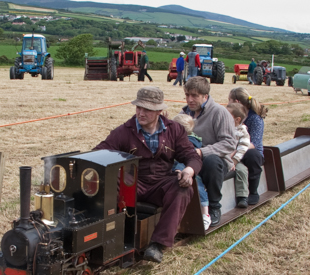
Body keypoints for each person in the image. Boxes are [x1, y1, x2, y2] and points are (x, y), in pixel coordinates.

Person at [94, 86, 201, 263]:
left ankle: (157, 245)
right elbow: (99, 152)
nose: (141, 113)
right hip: (132, 184)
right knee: (109, 185)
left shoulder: (175, 130)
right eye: (138, 107)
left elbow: (191, 156)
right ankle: (110, 239)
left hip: (161, 183)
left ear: (159, 111)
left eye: (147, 109)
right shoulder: (123, 132)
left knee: (182, 188)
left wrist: (188, 171)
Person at [181, 76, 239, 226]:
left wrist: (202, 152)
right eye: (187, 95)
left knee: (211, 161)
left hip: (215, 161)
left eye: (194, 96)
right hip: (190, 158)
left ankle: (214, 206)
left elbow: (229, 143)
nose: (190, 99)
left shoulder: (219, 113)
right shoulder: (184, 114)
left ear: (205, 96)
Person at [227, 86, 267, 205]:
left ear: (236, 102)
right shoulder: (231, 115)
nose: (227, 103)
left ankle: (253, 191)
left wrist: (234, 152)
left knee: (252, 155)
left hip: (249, 151)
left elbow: (252, 143)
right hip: (233, 149)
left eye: (229, 100)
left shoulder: (254, 118)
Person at [171, 113, 211, 229]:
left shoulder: (190, 142)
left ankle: (205, 213)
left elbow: (185, 158)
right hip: (176, 170)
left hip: (191, 171)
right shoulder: (177, 139)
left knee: (197, 186)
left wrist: (179, 169)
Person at [226, 103, 253, 208]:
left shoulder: (242, 132)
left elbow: (243, 148)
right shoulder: (222, 126)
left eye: (227, 115)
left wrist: (234, 161)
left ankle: (242, 196)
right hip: (221, 157)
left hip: (234, 159)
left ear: (237, 119)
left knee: (242, 170)